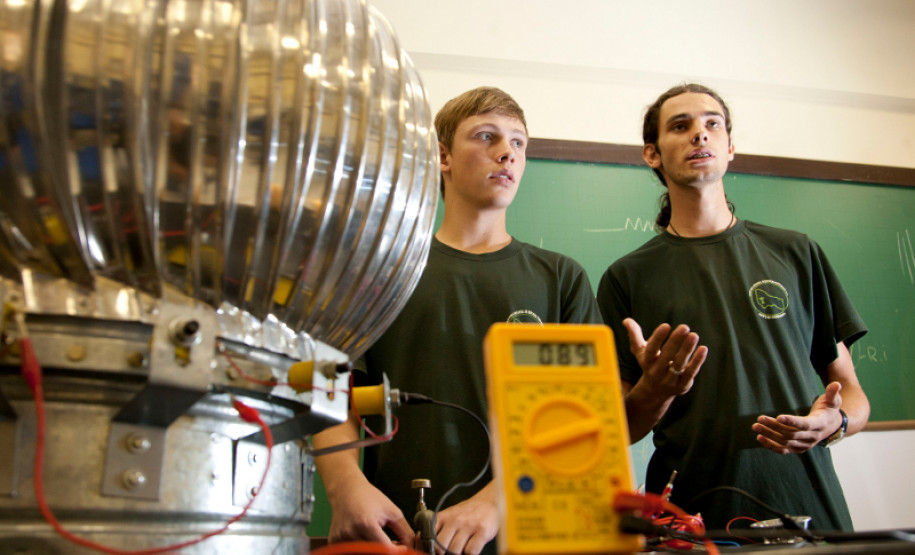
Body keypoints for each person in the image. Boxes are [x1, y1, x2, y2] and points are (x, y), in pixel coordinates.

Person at [312, 86, 602, 555]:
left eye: (518, 142)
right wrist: (344, 486)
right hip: (398, 537)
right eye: (487, 136)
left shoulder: (560, 278)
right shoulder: (380, 269)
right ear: (442, 156)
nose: (507, 152)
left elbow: (585, 418)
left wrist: (499, 500)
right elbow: (326, 386)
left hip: (533, 537)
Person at [596, 83, 871, 533]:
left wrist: (834, 422)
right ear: (652, 154)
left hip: (811, 513)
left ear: (730, 147)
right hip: (692, 523)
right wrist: (656, 391)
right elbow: (616, 431)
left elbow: (854, 394)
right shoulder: (626, 277)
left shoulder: (796, 254)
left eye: (712, 124)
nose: (699, 134)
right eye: (680, 126)